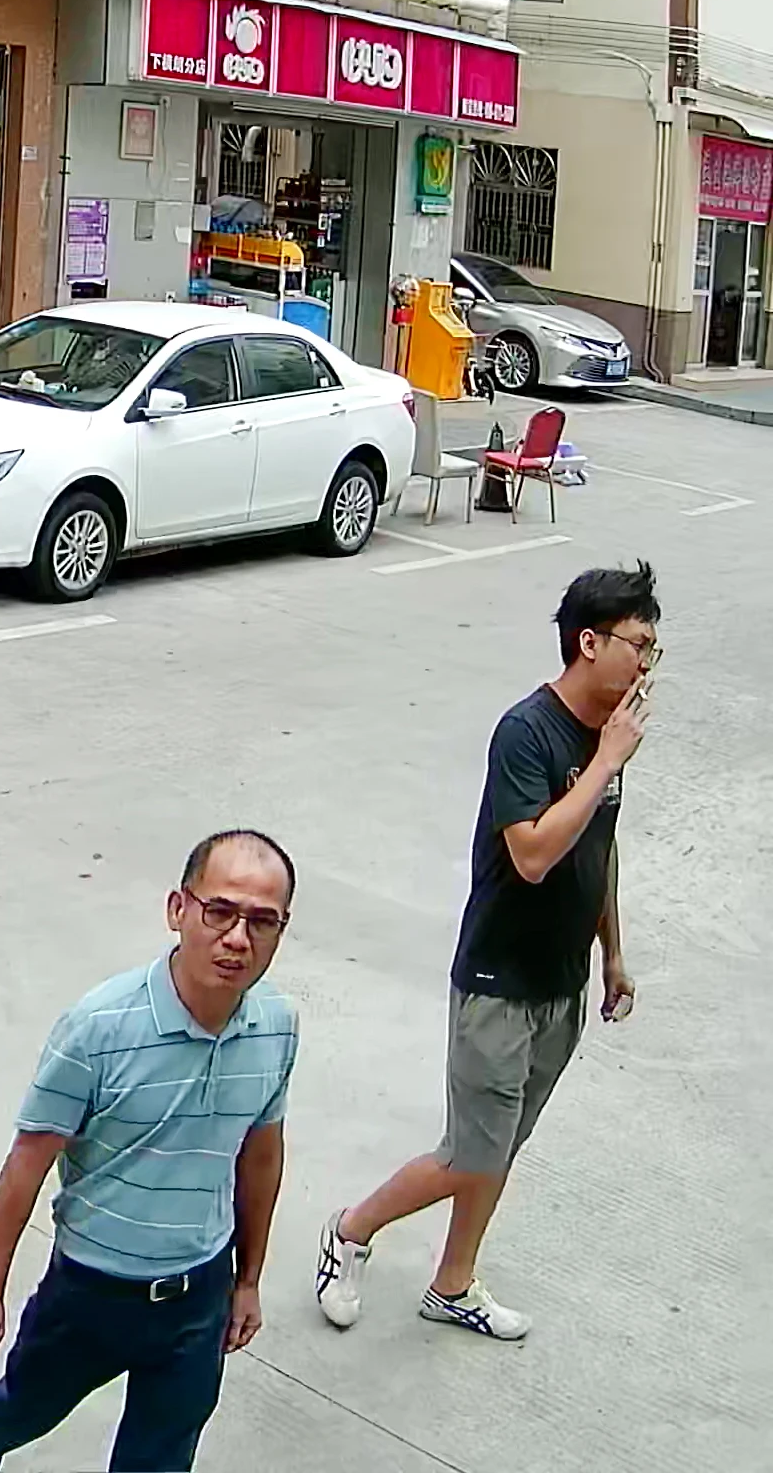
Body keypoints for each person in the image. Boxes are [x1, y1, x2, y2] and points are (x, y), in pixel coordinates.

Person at [316, 562, 658, 1343]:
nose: (645, 664)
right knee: (469, 1153)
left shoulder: (605, 737)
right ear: (588, 642)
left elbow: (597, 847)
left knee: (500, 1148)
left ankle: (452, 1283)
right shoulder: (526, 733)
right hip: (497, 984)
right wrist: (605, 762)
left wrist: (611, 953)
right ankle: (349, 1229)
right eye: (637, 645)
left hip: (560, 985)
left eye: (651, 649)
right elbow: (532, 854)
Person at [0, 831, 300, 1473]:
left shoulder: (277, 1026)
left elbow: (261, 1157)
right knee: (16, 1414)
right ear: (178, 909)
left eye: (261, 921)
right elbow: (28, 1161)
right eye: (219, 912)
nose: (238, 938)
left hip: (198, 1297)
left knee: (161, 1459)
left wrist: (247, 1280)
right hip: (91, 1294)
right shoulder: (98, 1028)